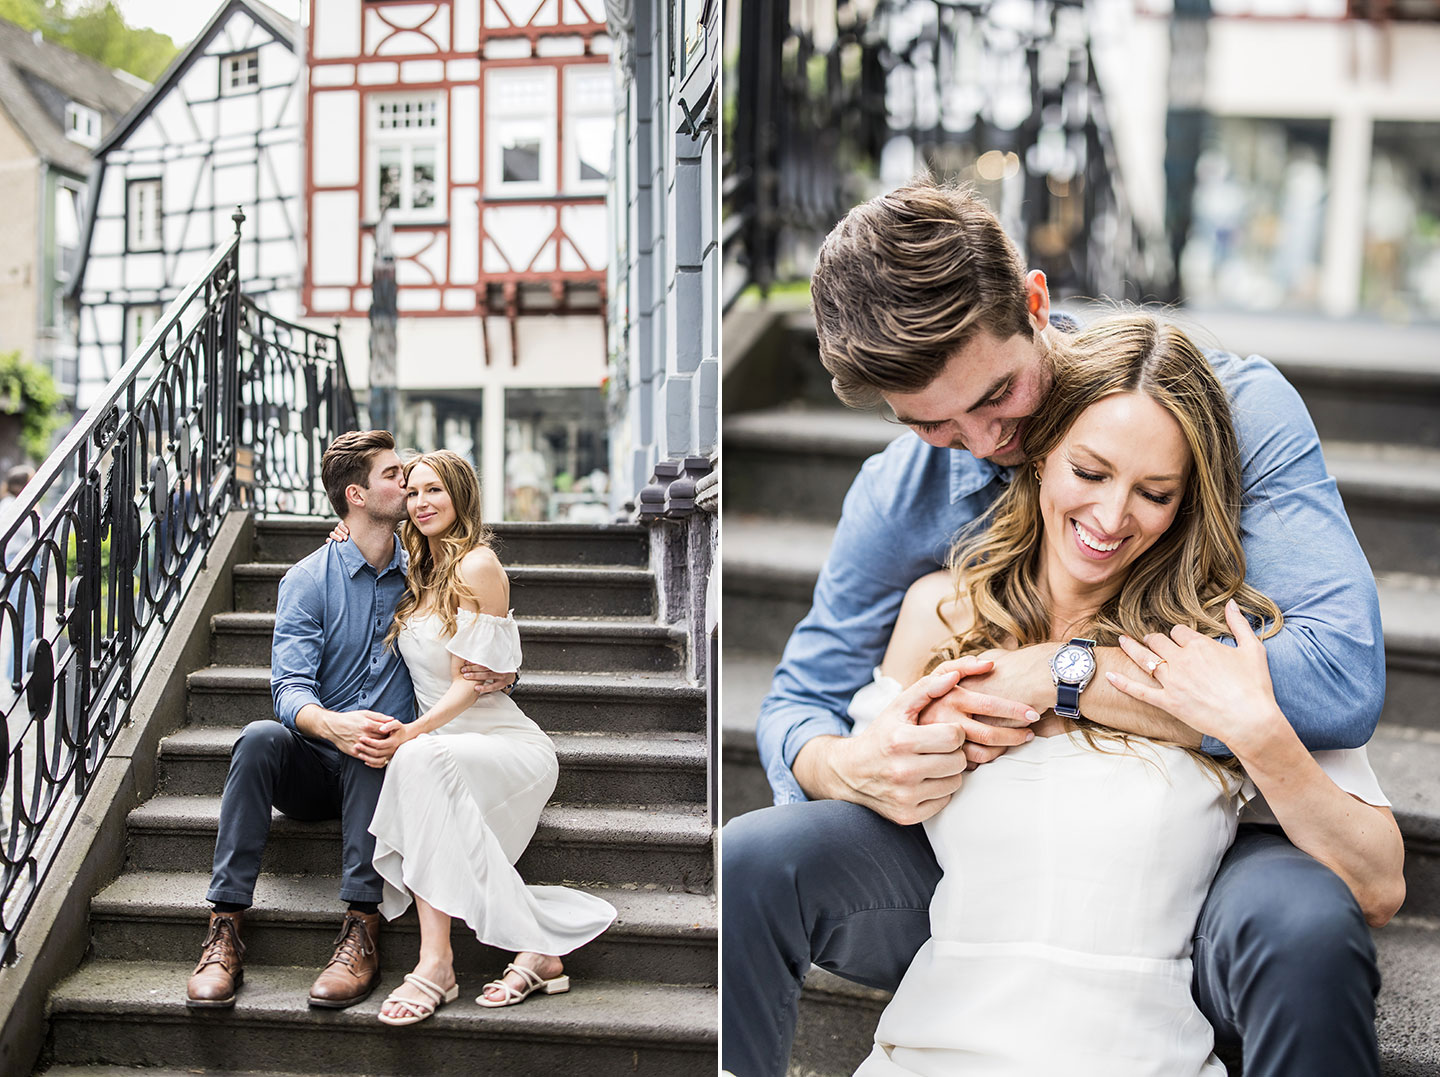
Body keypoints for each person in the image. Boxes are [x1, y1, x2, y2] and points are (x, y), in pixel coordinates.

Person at [722, 183, 1388, 1076]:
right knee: (753, 858)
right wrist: (851, 763)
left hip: (1197, 842)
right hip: (983, 867)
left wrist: (1061, 676)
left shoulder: (1226, 408)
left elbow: (1340, 677)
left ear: (1035, 305)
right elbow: (798, 703)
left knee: (1305, 926)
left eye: (999, 394)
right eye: (933, 424)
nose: (986, 440)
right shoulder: (900, 495)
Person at [842, 313, 1403, 1074]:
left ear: (1185, 504)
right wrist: (878, 756)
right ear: (1039, 456)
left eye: (1155, 491)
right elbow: (852, 803)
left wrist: (1252, 728)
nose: (1110, 518)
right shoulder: (942, 614)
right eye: (1091, 471)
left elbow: (1377, 882)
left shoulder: (1218, 646)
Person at [345, 450, 616, 1025]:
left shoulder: (476, 565)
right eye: (412, 492)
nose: (421, 503)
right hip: (442, 746)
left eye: (434, 491)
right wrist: (341, 531)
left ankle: (436, 965)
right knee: (421, 767)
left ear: (461, 496)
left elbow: (473, 682)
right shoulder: (417, 566)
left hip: (501, 742)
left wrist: (410, 734)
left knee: (415, 760)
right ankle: (536, 952)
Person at [187, 430, 414, 1009]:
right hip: (314, 770)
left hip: (387, 767)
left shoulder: (426, 570)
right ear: (356, 496)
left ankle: (362, 926)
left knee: (375, 733)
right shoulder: (309, 579)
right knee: (260, 737)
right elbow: (288, 690)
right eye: (392, 473)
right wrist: (331, 725)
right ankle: (225, 927)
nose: (406, 478)